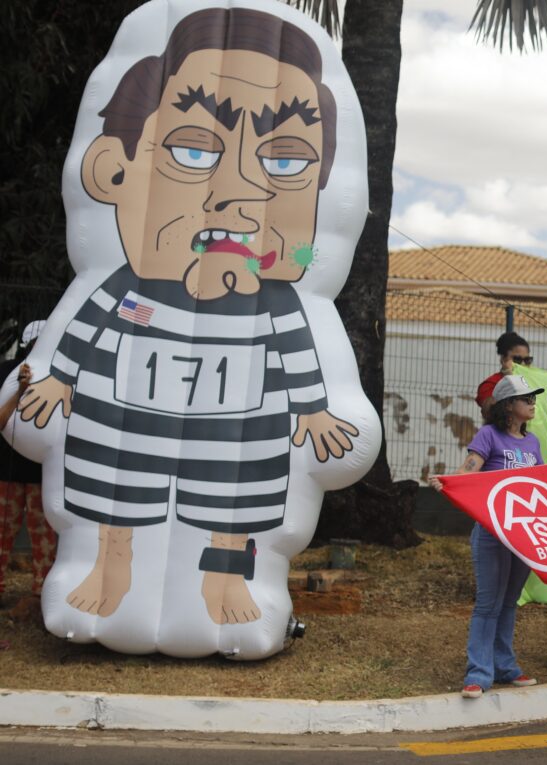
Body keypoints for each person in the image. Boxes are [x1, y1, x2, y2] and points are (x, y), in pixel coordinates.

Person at [16, 7, 360, 625]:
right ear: (111, 171)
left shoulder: (278, 303)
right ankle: (111, 564)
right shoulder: (124, 285)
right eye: (193, 149)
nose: (242, 191)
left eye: (285, 162)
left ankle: (225, 584)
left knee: (233, 502)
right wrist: (58, 378)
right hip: (122, 413)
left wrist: (313, 410)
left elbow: (296, 352)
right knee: (116, 485)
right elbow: (86, 327)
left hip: (244, 420)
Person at [430, 375, 544, 698]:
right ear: (508, 405)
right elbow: (467, 472)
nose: (532, 403)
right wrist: (449, 483)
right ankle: (478, 674)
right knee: (488, 604)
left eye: (534, 398)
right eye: (526, 398)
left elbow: (542, 482)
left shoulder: (533, 443)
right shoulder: (488, 435)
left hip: (522, 534)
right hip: (492, 532)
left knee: (508, 602)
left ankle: (505, 667)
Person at [0, 321, 56, 604]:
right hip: (6, 471)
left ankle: (41, 595)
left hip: (40, 472)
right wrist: (20, 390)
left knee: (44, 538)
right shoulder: (6, 373)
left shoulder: (59, 374)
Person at [476, 332, 532, 420]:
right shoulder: (490, 384)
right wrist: (511, 380)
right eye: (517, 359)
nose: (523, 364)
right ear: (503, 359)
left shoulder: (534, 382)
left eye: (527, 360)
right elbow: (489, 411)